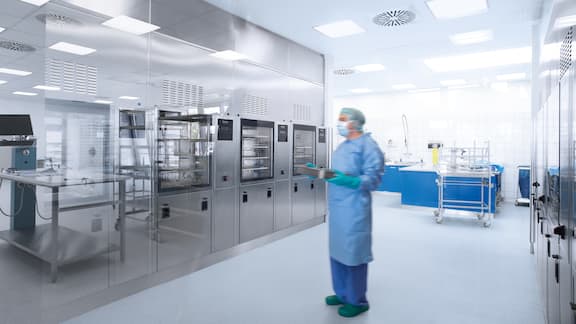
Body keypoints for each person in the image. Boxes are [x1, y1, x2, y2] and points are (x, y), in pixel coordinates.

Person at [310, 107, 384, 318]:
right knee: (338, 252)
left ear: (355, 123)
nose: (340, 123)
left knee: (353, 255)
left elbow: (373, 178)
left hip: (354, 209)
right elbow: (338, 173)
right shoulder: (343, 147)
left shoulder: (368, 146)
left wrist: (350, 181)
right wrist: (320, 173)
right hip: (338, 208)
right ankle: (342, 294)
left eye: (343, 120)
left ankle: (358, 301)